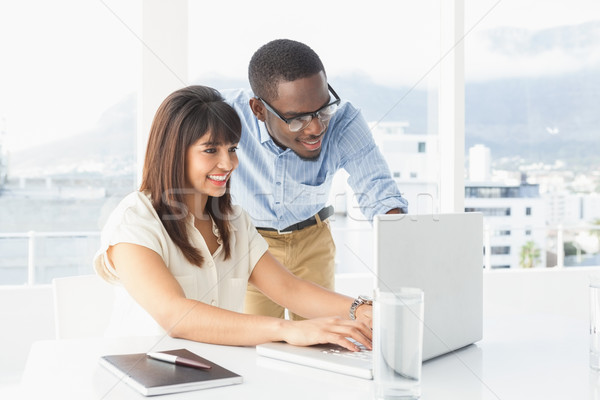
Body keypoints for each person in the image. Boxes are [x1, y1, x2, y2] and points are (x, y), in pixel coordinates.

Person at [93, 85, 372, 352]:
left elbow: (289, 288)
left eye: (232, 149)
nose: (228, 164)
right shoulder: (135, 220)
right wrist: (287, 329)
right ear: (174, 152)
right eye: (211, 150)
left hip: (216, 373)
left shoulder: (234, 222)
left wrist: (361, 310)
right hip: (144, 375)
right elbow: (175, 314)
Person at [221, 39, 408, 320]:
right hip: (248, 245)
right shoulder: (224, 115)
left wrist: (404, 266)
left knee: (322, 341)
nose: (317, 127)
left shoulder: (344, 122)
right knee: (257, 344)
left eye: (323, 110)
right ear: (259, 110)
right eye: (297, 120)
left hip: (313, 241)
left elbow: (378, 192)